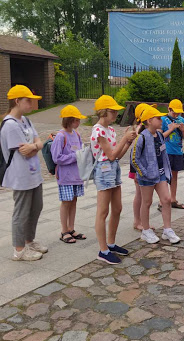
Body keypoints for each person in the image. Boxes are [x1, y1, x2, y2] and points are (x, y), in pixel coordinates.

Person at [0, 85, 47, 261]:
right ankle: (19, 249)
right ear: (17, 101)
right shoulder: (10, 125)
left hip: (33, 173)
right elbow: (25, 152)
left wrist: (34, 145)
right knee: (22, 212)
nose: (31, 104)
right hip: (21, 175)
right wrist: (35, 146)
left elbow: (38, 143)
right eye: (28, 100)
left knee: (36, 207)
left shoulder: (26, 120)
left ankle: (29, 241)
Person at [91, 95, 137, 264]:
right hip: (103, 170)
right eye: (113, 111)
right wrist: (124, 138)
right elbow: (110, 155)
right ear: (104, 112)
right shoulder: (98, 130)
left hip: (113, 168)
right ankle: (103, 250)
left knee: (117, 208)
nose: (116, 114)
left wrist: (128, 142)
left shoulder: (109, 129)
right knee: (103, 211)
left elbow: (117, 156)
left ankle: (110, 244)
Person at [132, 105, 181, 244]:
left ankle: (167, 229)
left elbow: (162, 152)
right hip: (147, 176)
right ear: (149, 121)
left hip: (160, 174)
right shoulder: (141, 137)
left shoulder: (159, 135)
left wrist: (166, 169)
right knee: (147, 202)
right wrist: (143, 173)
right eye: (158, 118)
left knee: (166, 199)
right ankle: (146, 230)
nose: (161, 120)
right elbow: (134, 158)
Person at [51, 105, 87, 243]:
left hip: (76, 175)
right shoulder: (61, 136)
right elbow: (57, 158)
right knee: (66, 202)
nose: (79, 122)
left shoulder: (76, 134)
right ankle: (64, 230)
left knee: (74, 200)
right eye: (76, 120)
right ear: (69, 120)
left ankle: (71, 228)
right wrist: (75, 156)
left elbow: (80, 151)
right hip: (66, 176)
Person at [130, 103, 156, 230]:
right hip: (139, 164)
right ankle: (137, 221)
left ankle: (142, 221)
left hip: (144, 163)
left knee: (143, 195)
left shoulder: (144, 128)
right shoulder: (140, 130)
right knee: (140, 194)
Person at [161, 99, 184, 210]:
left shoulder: (181, 120)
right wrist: (171, 129)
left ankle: (173, 199)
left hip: (177, 151)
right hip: (166, 152)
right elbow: (160, 136)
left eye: (178, 113)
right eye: (174, 113)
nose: (176, 115)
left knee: (174, 176)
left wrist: (182, 130)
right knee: (164, 177)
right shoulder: (163, 120)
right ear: (169, 109)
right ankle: (163, 201)